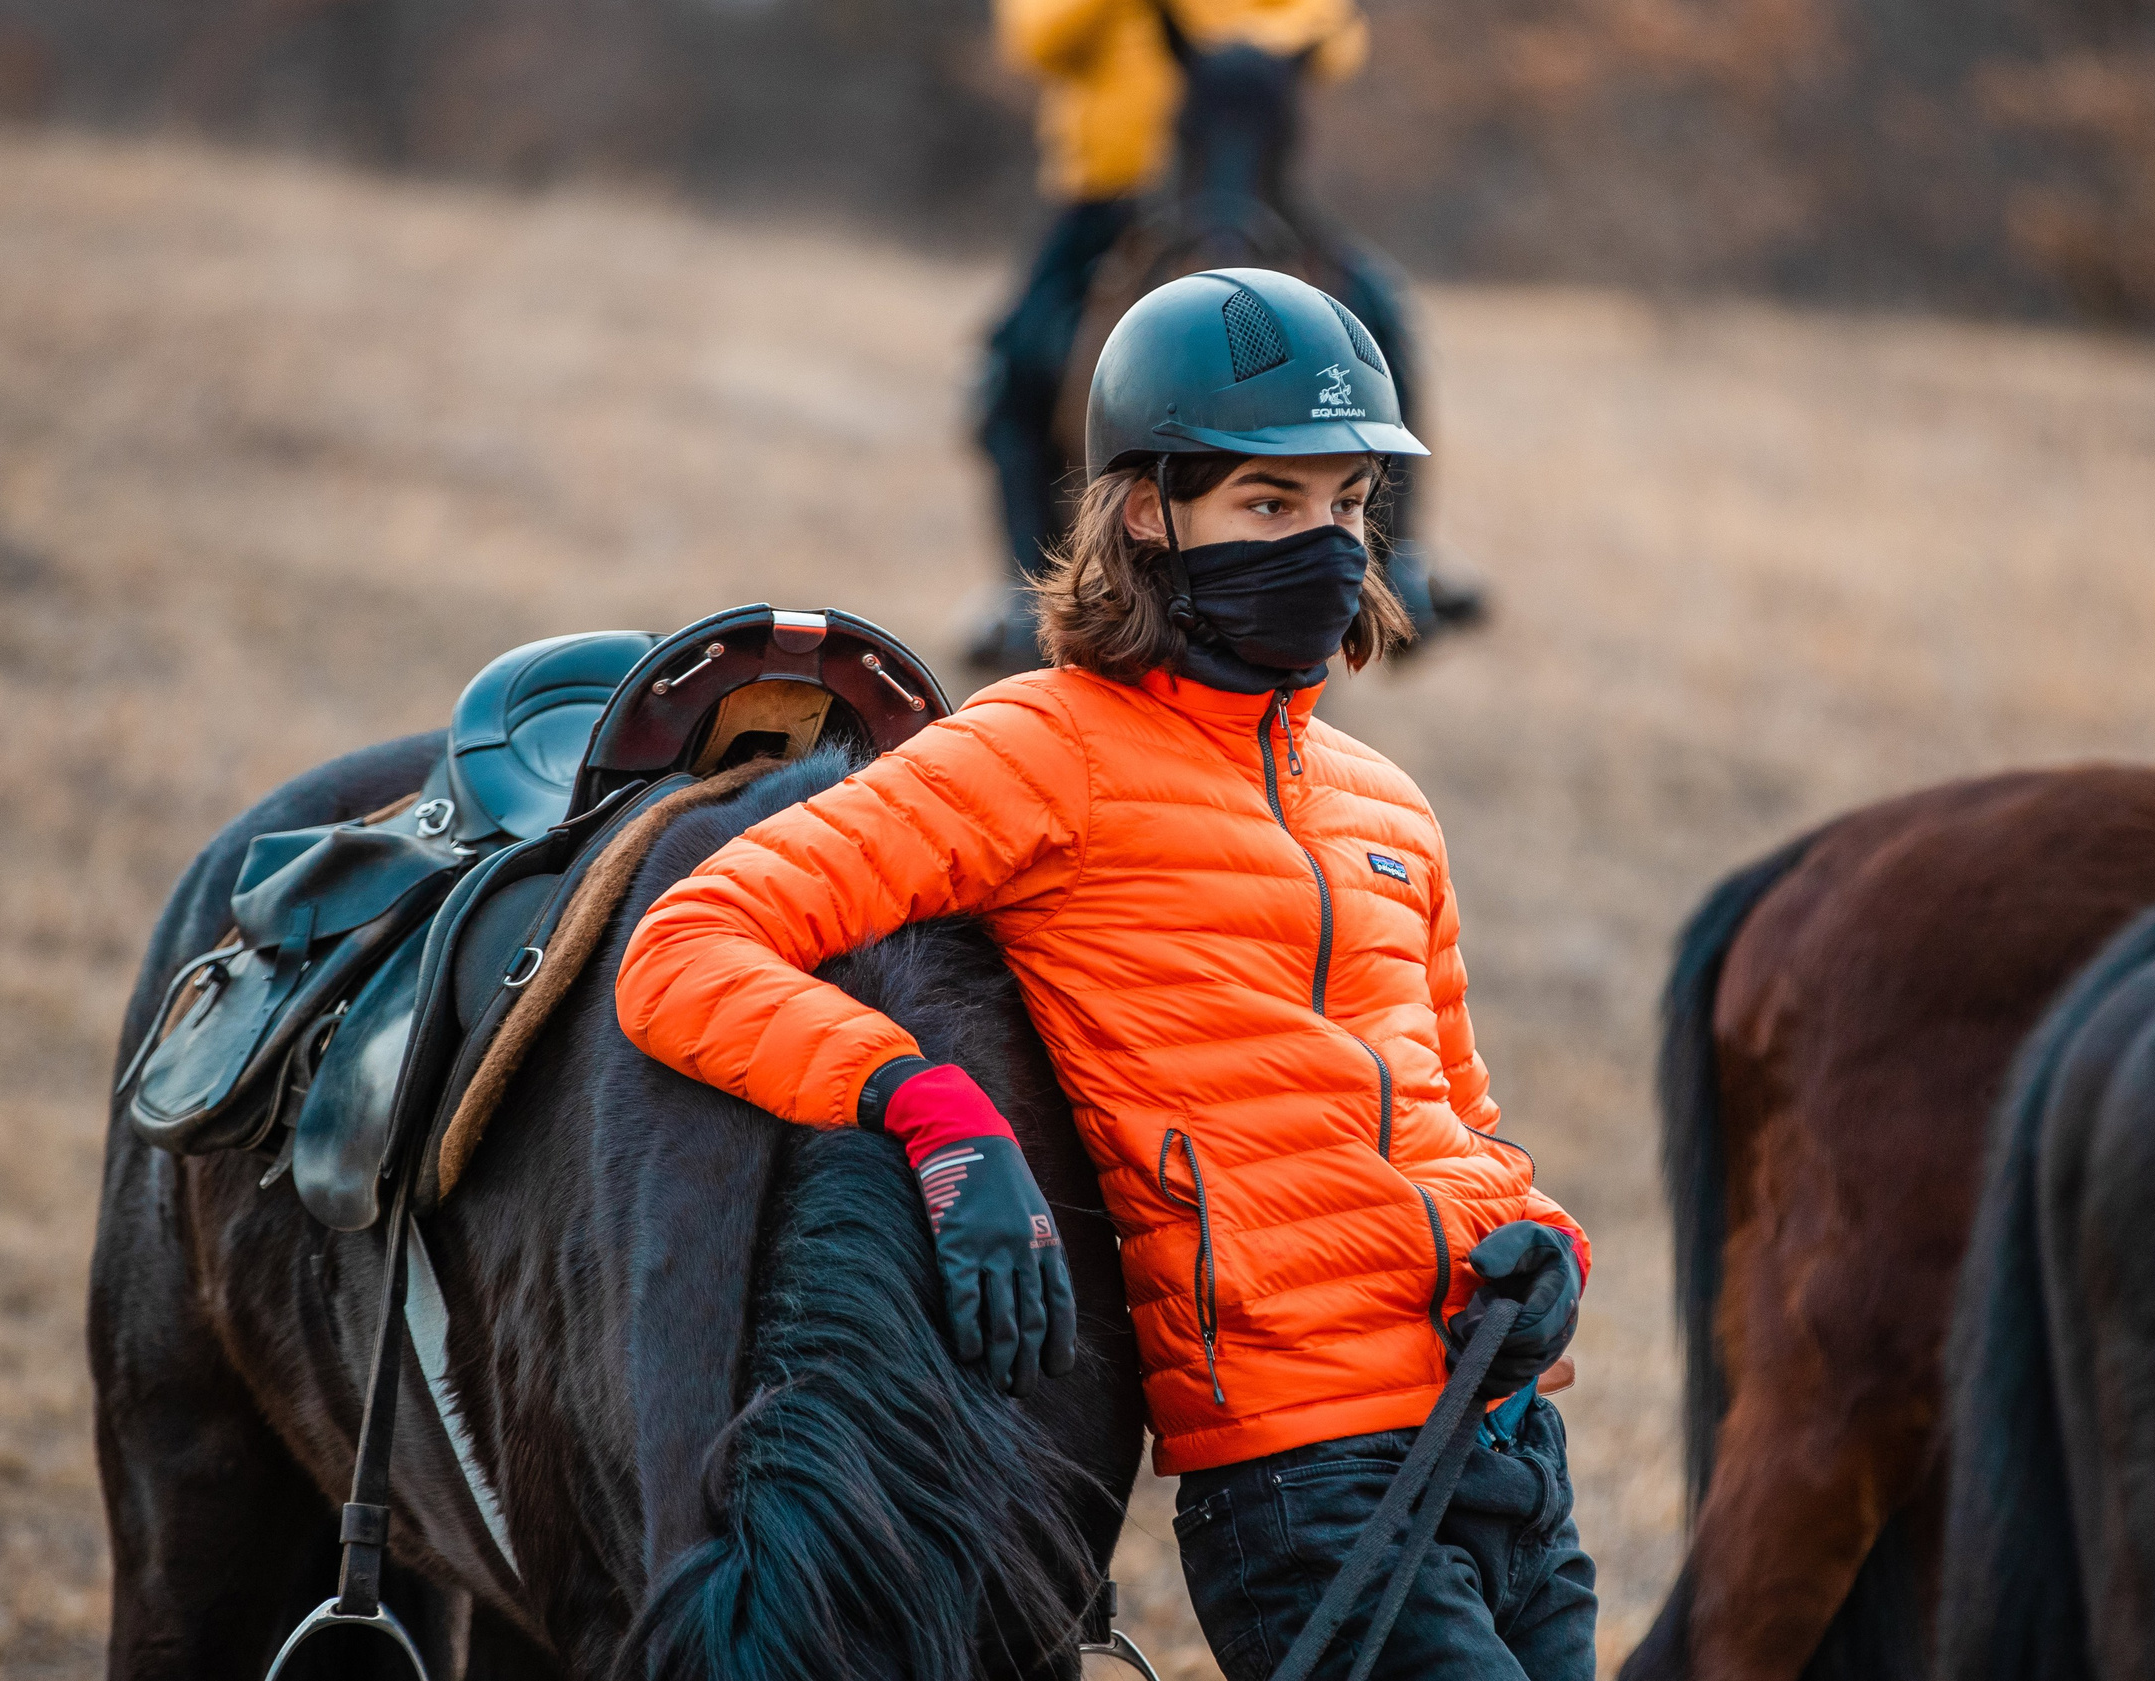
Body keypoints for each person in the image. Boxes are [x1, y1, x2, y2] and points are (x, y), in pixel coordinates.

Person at [618, 268, 1596, 1679]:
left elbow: (1455, 1112)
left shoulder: (1384, 802)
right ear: (1149, 510)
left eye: (1345, 506)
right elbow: (684, 951)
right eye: (1270, 505)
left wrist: (1546, 1240)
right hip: (1312, 1480)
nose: (1325, 546)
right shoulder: (1040, 752)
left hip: (1502, 1443)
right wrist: (928, 1107)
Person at [971, 0, 1375, 666]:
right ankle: (1022, 586)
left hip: (1254, 185)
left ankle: (1407, 564)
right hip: (1111, 190)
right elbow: (1034, 40)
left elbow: (1335, 41)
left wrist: (1239, 51)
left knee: (1379, 326)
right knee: (1016, 358)